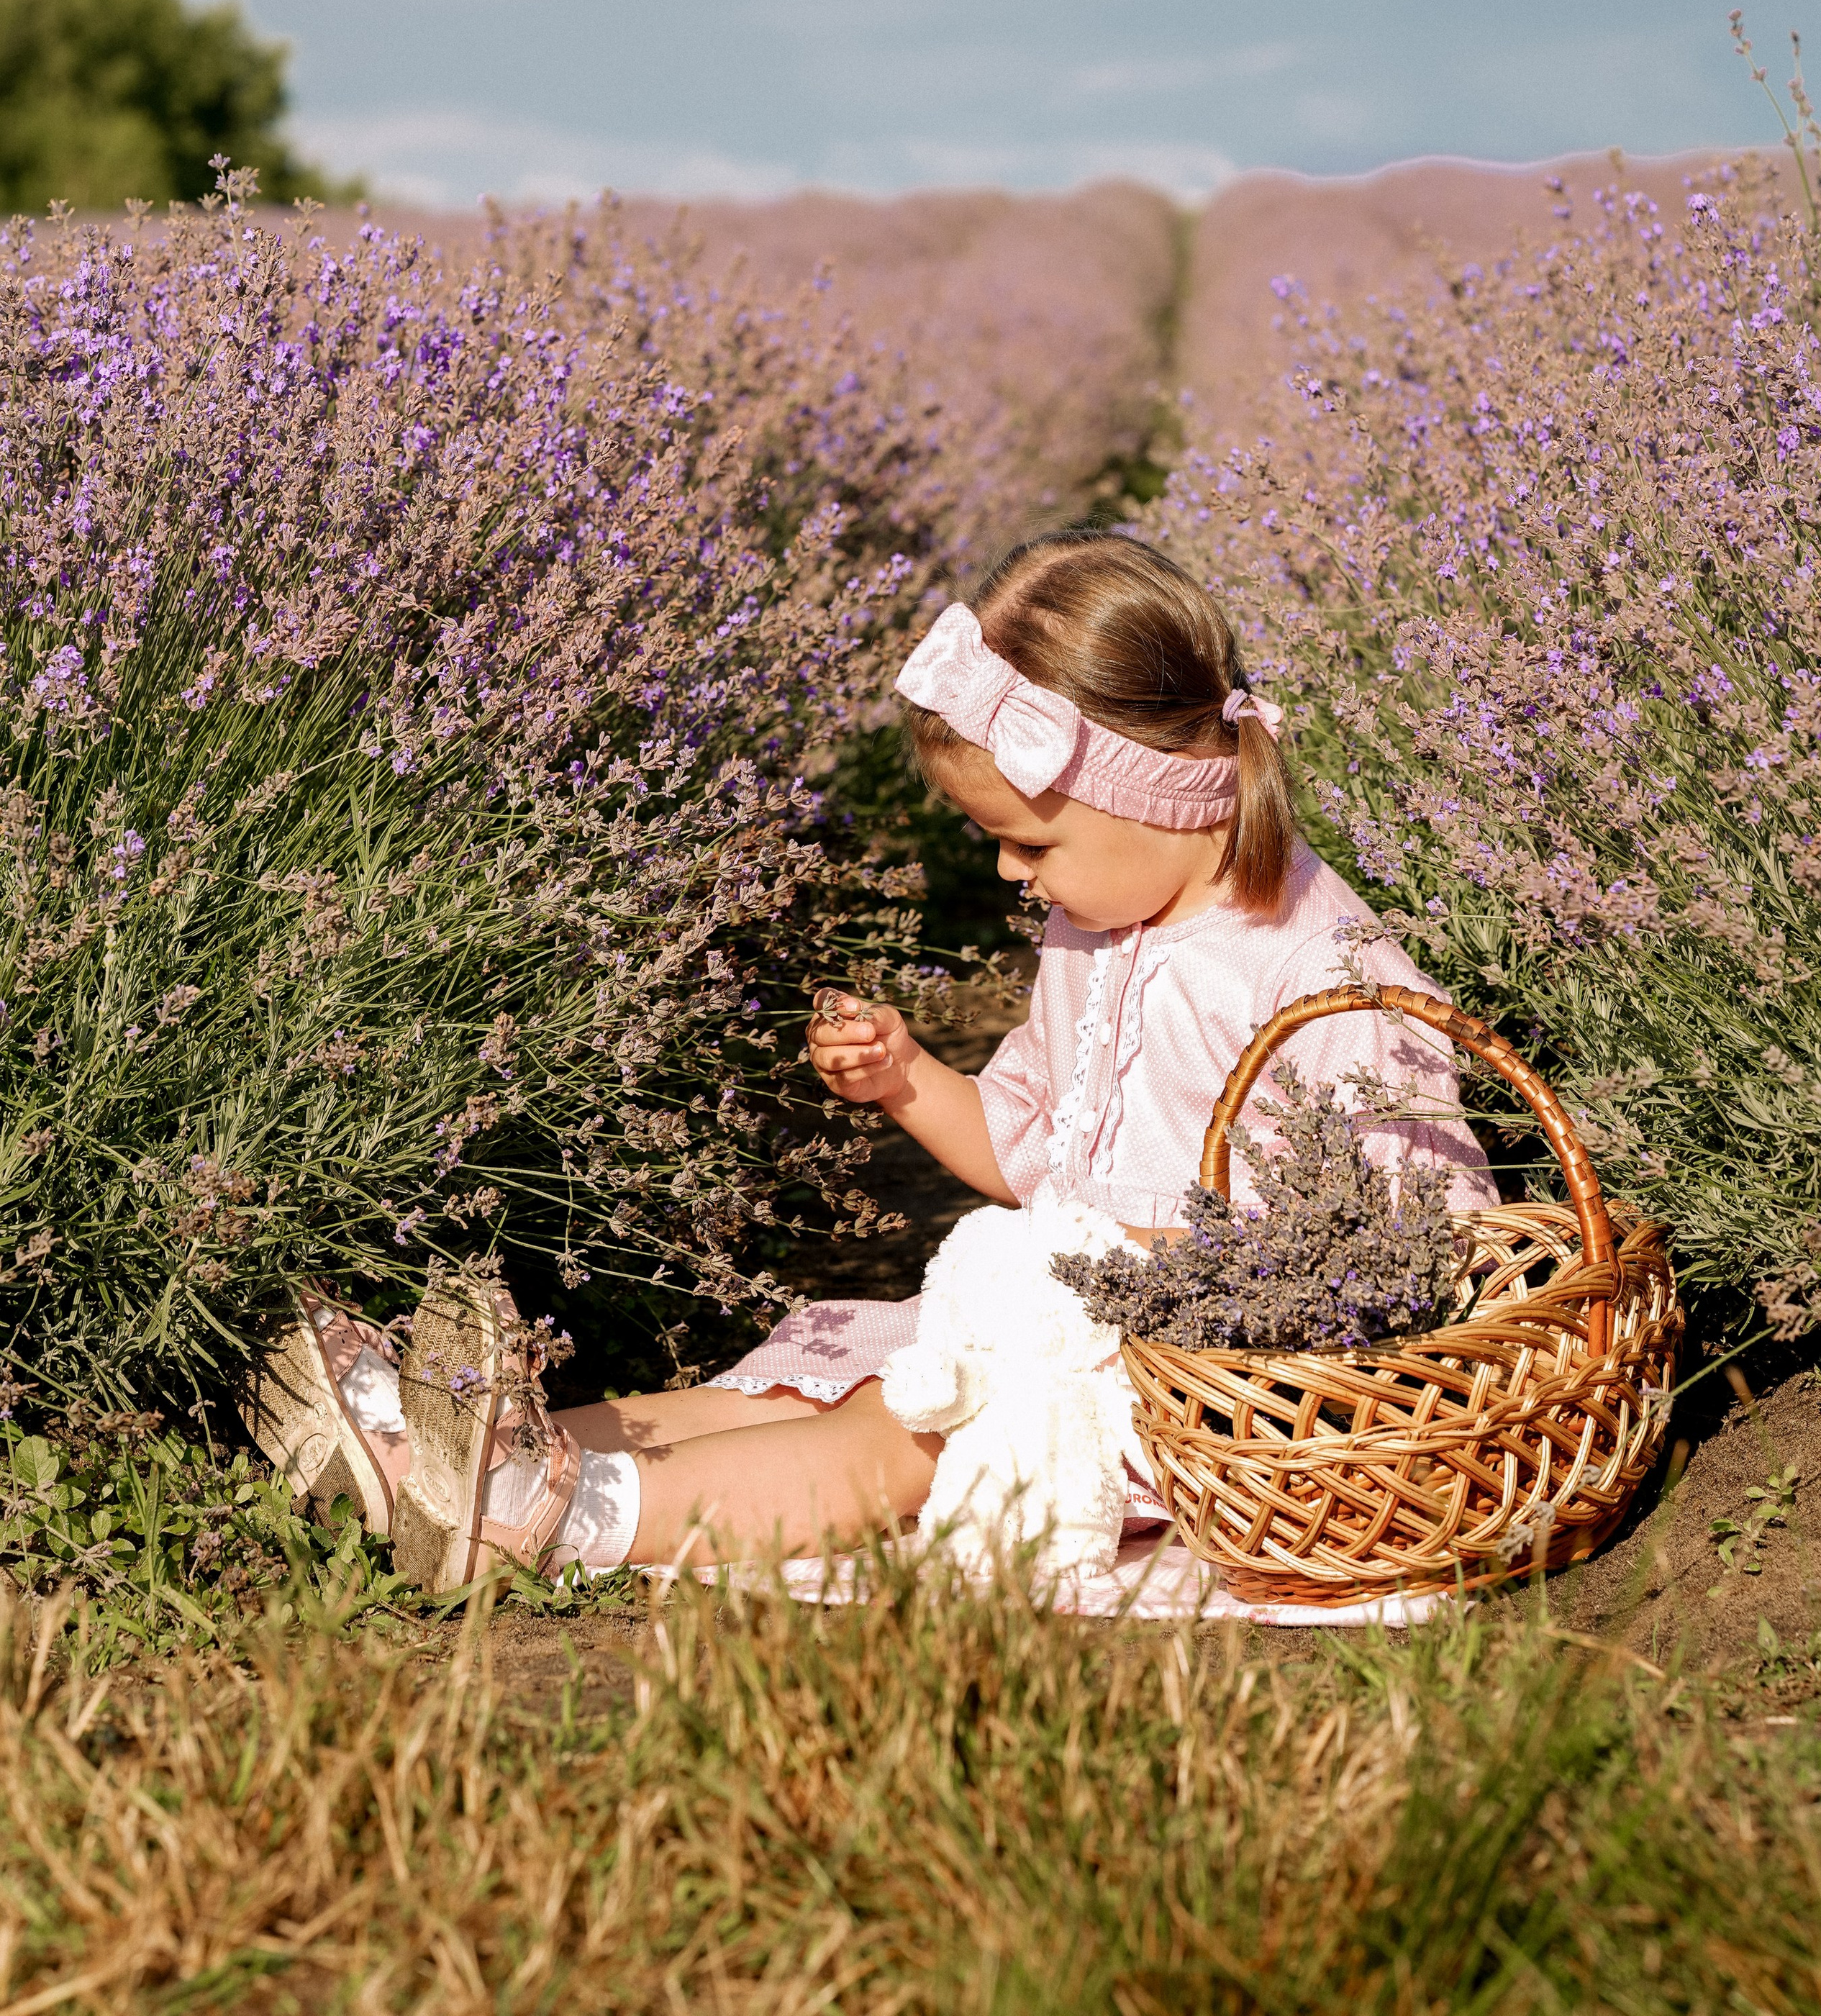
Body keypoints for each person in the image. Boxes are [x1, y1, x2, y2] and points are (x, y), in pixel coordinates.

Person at [247, 532, 1498, 1585]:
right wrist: (909, 1080)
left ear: (1161, 798)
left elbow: (1407, 1249)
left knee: (894, 1433)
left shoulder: (1318, 969)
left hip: (1215, 1393)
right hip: (1061, 1327)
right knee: (810, 1383)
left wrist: (1140, 1269)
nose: (1008, 870)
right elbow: (1031, 1157)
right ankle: (445, 1451)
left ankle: (551, 1518)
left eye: (1030, 843)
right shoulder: (1103, 924)